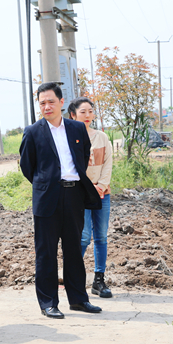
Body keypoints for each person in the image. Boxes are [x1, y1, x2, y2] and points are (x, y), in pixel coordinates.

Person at [19, 82, 103, 319]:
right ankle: (48, 303)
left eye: (51, 102)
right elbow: (27, 166)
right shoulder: (33, 132)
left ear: (61, 103)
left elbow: (83, 156)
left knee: (73, 249)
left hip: (74, 194)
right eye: (42, 103)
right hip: (47, 197)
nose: (46, 106)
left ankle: (78, 300)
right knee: (46, 252)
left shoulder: (77, 128)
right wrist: (46, 182)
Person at [68, 97, 113, 298]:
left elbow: (108, 163)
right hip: (81, 193)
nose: (88, 115)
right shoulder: (69, 137)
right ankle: (73, 277)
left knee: (101, 236)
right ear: (73, 115)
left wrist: (101, 186)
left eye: (90, 111)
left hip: (102, 193)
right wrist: (88, 187)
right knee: (84, 236)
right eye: (83, 112)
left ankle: (98, 280)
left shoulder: (101, 137)